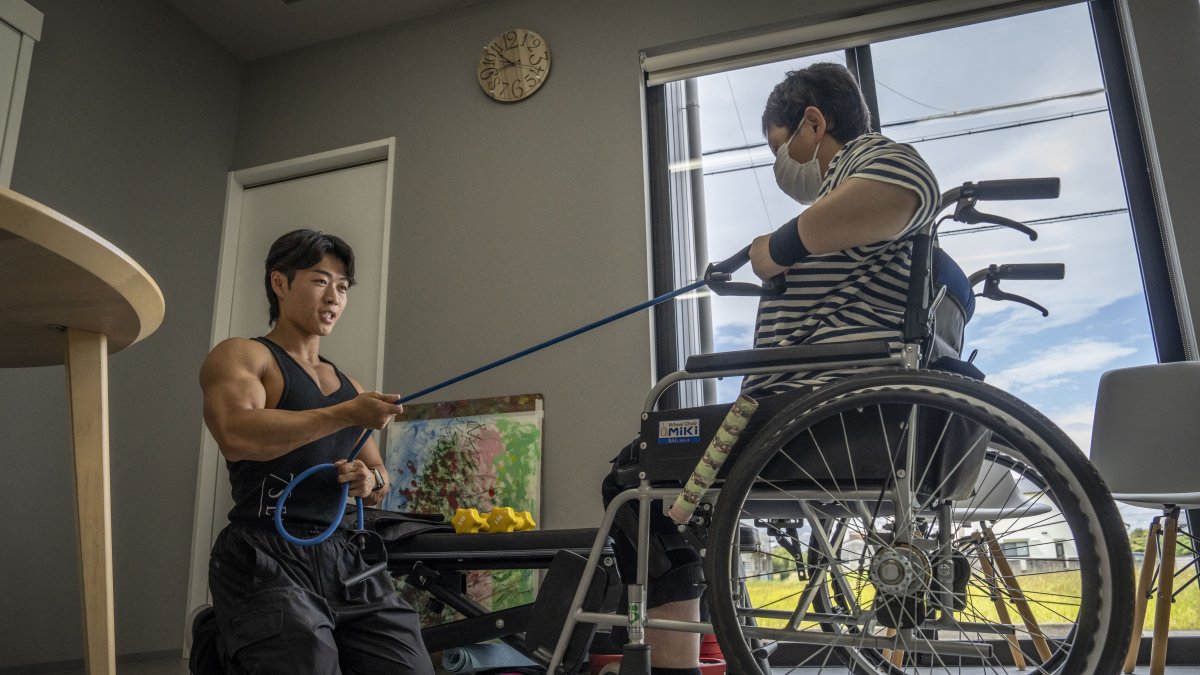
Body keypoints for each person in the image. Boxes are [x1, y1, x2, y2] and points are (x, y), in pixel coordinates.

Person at [601, 62, 940, 673]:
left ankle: (674, 666)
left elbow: (901, 190)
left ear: (815, 122)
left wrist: (776, 250)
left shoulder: (878, 157)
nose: (781, 165)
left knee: (635, 482)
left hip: (810, 414)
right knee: (653, 479)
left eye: (780, 147)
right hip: (811, 412)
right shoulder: (839, 200)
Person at [197, 229, 434, 675]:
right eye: (320, 280)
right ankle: (226, 637)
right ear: (279, 283)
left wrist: (371, 481)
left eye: (343, 287)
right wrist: (346, 414)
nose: (334, 298)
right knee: (306, 661)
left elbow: (380, 477)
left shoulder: (352, 389)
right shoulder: (244, 357)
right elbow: (236, 432)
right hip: (266, 550)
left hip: (345, 554)